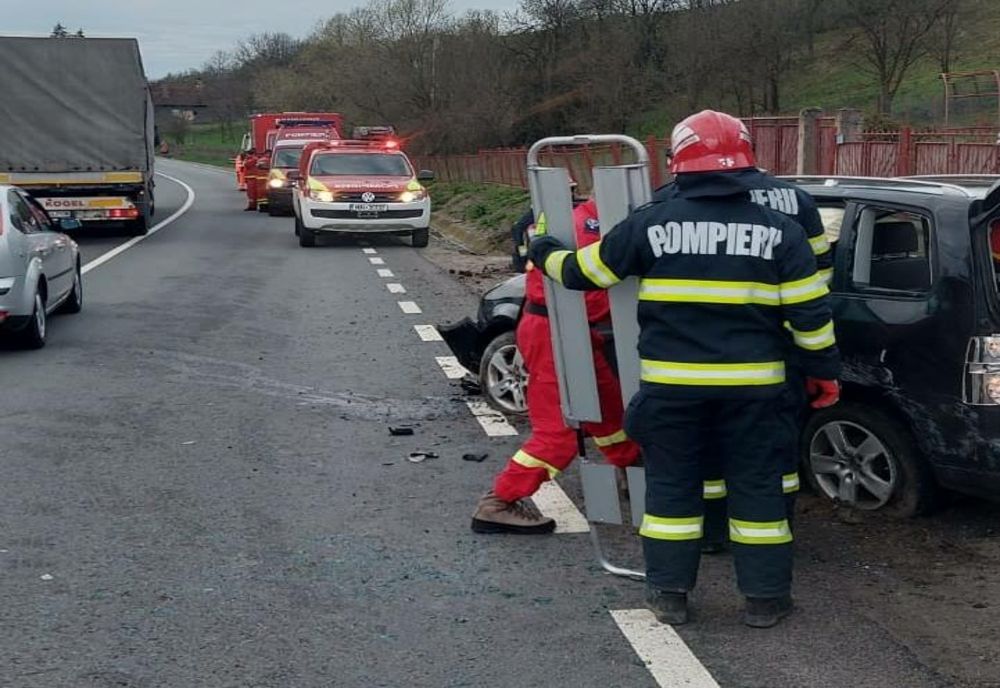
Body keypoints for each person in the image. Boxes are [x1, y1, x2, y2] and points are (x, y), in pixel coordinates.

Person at [528, 110, 840, 628]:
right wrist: (822, 371)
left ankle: (669, 596)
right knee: (760, 489)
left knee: (672, 489)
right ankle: (765, 601)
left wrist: (543, 250)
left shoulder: (652, 222)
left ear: (679, 163)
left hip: (671, 390)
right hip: (756, 391)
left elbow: (585, 273)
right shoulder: (780, 231)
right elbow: (811, 315)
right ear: (746, 162)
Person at [652, 155, 836, 551]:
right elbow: (820, 274)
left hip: (692, 354)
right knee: (772, 448)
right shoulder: (798, 200)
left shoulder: (668, 201)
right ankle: (777, 525)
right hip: (775, 350)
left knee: (709, 449)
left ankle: (713, 533)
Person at [472, 195, 641, 535]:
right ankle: (498, 502)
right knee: (559, 433)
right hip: (557, 333)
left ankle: (634, 470)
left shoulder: (583, 218)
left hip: (571, 330)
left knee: (611, 415)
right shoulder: (589, 226)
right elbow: (589, 289)